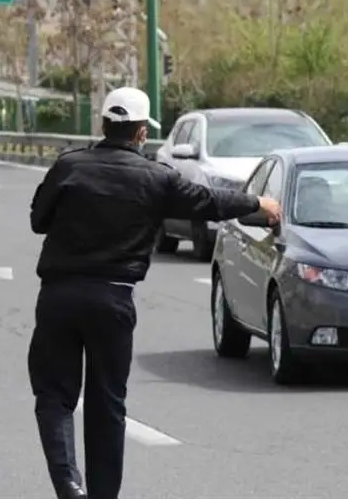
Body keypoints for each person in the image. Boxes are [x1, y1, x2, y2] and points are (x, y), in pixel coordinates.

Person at [27, 87, 281, 499]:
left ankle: (68, 485)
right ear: (142, 132)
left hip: (58, 296)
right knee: (107, 404)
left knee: (54, 396)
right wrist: (258, 204)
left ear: (104, 124)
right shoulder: (156, 178)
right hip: (113, 300)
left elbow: (39, 220)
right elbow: (209, 202)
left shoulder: (68, 166)